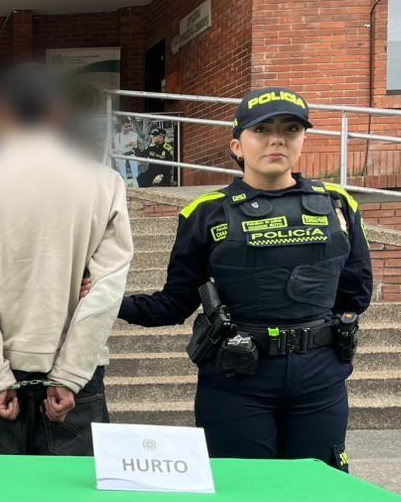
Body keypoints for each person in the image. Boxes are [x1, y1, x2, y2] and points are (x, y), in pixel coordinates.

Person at [120, 87, 373, 469]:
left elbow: (356, 295)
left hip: (320, 378)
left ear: (303, 139)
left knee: (319, 496)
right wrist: (106, 301)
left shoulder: (338, 204)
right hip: (237, 378)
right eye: (262, 129)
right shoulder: (205, 213)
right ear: (237, 145)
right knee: (241, 497)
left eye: (290, 129)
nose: (277, 139)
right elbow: (174, 304)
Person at [0, 63, 134, 456]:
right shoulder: (105, 184)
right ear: (59, 111)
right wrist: (70, 375)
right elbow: (105, 293)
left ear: (0, 113)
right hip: (75, 384)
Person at [114, 118, 142, 185]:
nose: (128, 128)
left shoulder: (134, 134)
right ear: (122, 127)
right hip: (121, 154)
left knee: (133, 160)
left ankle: (135, 180)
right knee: (120, 161)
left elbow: (134, 146)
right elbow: (118, 148)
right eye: (126, 126)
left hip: (130, 153)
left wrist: (125, 146)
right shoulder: (117, 136)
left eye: (130, 126)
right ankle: (124, 180)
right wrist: (127, 144)